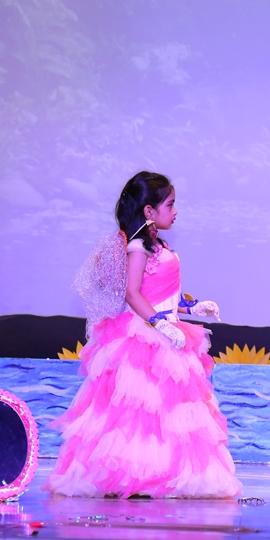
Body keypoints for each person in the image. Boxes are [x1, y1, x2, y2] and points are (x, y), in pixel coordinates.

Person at [45, 171, 242, 499]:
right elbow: (133, 293)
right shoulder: (137, 246)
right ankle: (133, 476)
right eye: (170, 204)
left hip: (167, 329)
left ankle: (164, 475)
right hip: (146, 335)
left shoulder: (158, 244)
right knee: (140, 411)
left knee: (171, 413)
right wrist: (160, 324)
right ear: (149, 210)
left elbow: (161, 292)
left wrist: (193, 307)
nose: (175, 211)